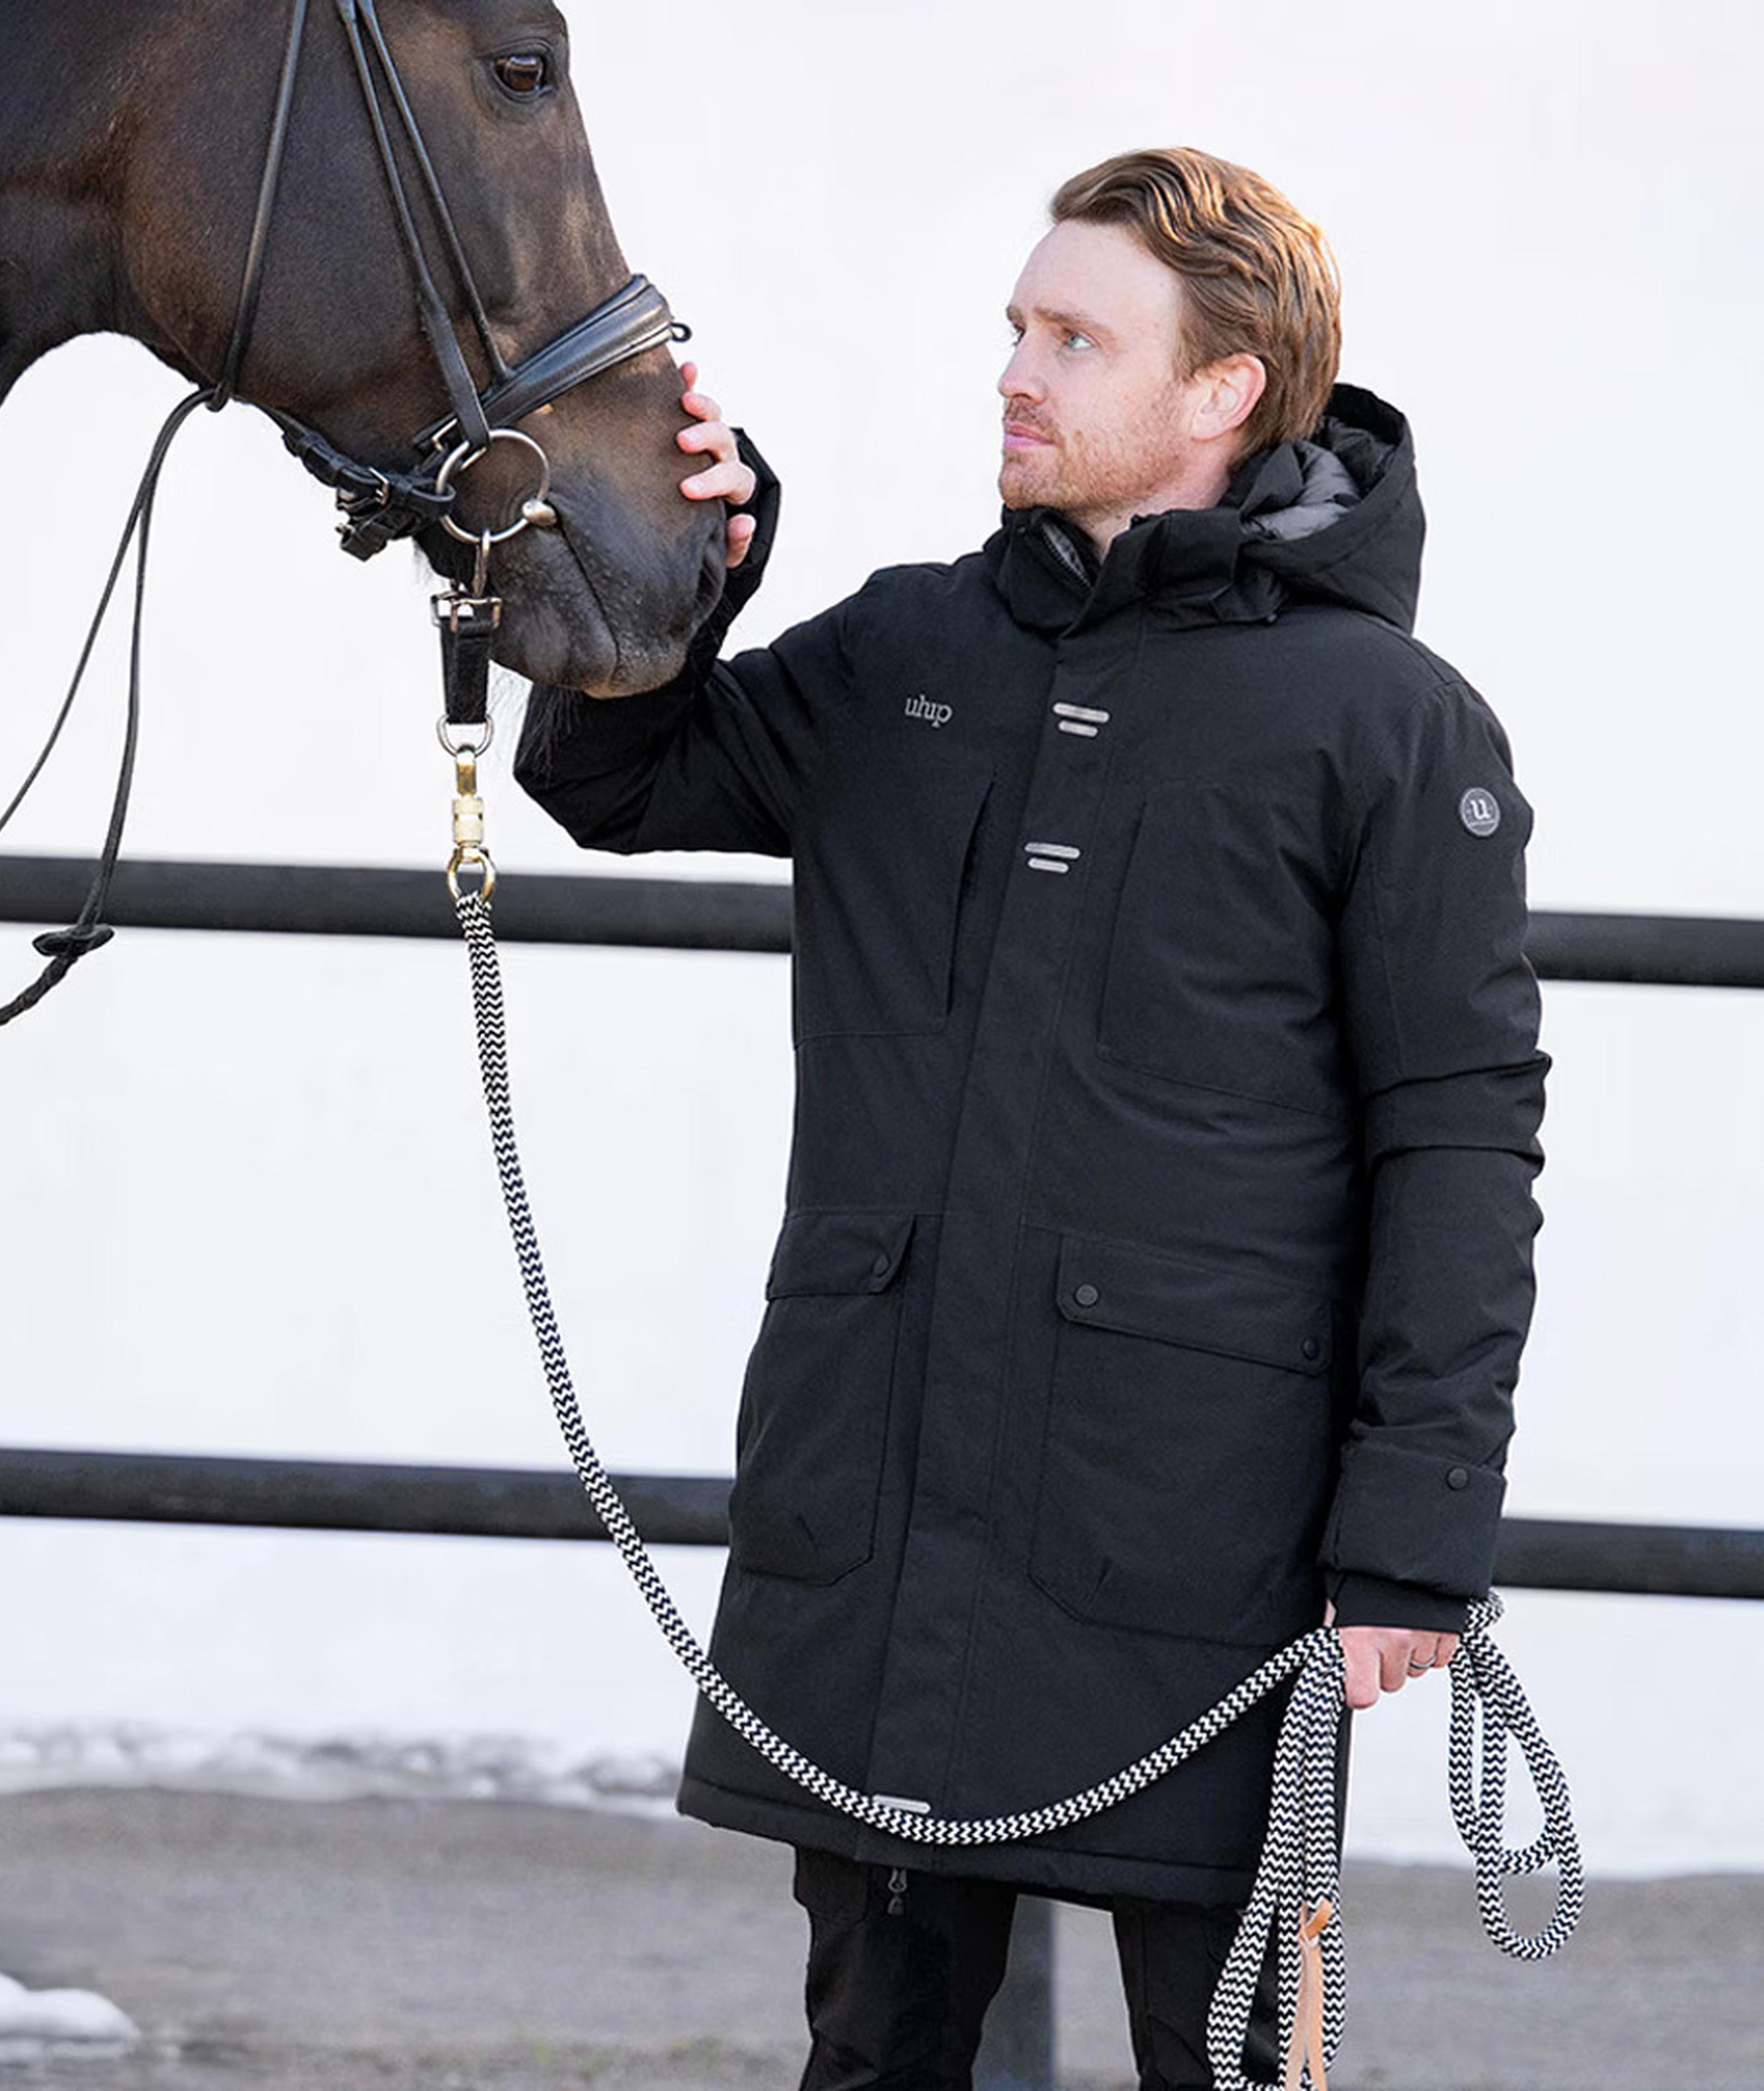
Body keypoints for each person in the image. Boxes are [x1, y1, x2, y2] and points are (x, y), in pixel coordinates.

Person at [513, 146, 1547, 2091]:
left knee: (1235, 2061)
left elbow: (1461, 1135)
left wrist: (1412, 1534)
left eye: (1078, 338)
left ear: (1225, 389)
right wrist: (672, 552)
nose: (1019, 369)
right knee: (876, 2052)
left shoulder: (1389, 726)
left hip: (1202, 1550)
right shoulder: (911, 651)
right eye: (1019, 325)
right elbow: (624, 775)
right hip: (891, 1502)